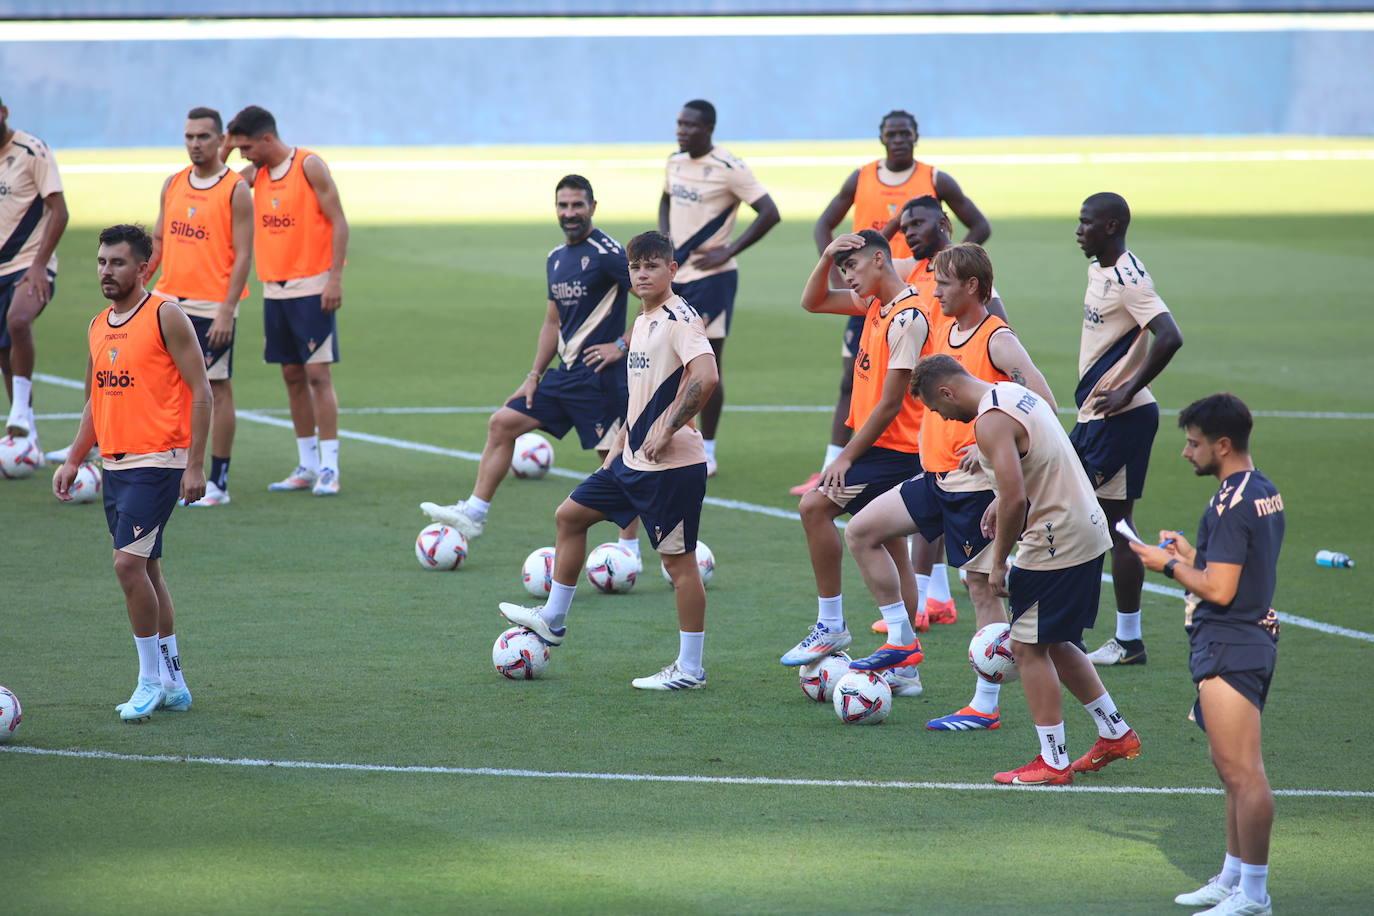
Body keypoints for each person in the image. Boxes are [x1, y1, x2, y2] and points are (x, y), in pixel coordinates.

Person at [497, 231, 719, 690]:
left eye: (652, 266)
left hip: (671, 469)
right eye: (635, 267)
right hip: (629, 461)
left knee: (679, 566)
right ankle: (553, 619)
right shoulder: (644, 319)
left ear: (672, 270)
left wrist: (668, 427)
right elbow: (641, 397)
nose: (642, 275)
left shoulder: (680, 318)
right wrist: (617, 450)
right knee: (570, 515)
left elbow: (707, 376)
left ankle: (690, 670)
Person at [912, 354, 1139, 786]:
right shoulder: (1013, 394)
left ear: (946, 391)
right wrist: (1001, 499)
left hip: (1056, 538)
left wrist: (998, 562)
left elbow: (1016, 498)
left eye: (937, 409)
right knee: (1055, 640)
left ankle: (1053, 761)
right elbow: (1037, 462)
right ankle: (1115, 732)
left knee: (1027, 647)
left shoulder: (989, 421)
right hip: (1086, 526)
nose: (943, 418)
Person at [420, 175, 639, 551]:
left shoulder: (608, 253)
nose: (570, 213)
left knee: (615, 463)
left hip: (600, 380)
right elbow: (552, 322)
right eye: (563, 205)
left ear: (593, 207)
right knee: (502, 423)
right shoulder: (556, 258)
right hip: (565, 376)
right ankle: (474, 513)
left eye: (577, 205)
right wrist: (534, 375)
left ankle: (628, 550)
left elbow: (659, 299)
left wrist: (621, 344)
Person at [53, 224, 211, 722]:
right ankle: (175, 682)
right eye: (102, 261)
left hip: (158, 462)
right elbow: (95, 402)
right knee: (148, 570)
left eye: (117, 262)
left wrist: (195, 464)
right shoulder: (98, 325)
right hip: (115, 466)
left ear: (143, 268)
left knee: (126, 566)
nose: (106, 270)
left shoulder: (166, 315)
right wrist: (74, 458)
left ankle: (149, 681)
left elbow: (202, 391)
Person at [1132, 394, 1282, 916]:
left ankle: (1254, 896)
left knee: (1244, 773)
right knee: (1229, 768)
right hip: (1241, 637)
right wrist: (1191, 556)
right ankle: (1233, 877)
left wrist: (1166, 566)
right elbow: (1234, 571)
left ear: (1222, 445)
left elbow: (1219, 590)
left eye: (1193, 443)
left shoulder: (1231, 503)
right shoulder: (1261, 490)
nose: (1185, 452)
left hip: (1231, 643)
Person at [793, 110, 990, 498]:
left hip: (912, 433)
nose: (908, 231)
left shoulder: (934, 183)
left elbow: (994, 336)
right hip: (880, 295)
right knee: (855, 380)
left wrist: (961, 262)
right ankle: (834, 462)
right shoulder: (865, 182)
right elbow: (814, 297)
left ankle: (846, 463)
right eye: (905, 225)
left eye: (904, 133)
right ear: (881, 137)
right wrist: (847, 261)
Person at [903, 243, 1057, 732]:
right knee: (863, 530)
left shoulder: (998, 339)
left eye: (944, 283)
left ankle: (985, 703)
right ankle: (899, 651)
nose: (936, 291)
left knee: (981, 584)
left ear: (972, 286)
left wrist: (988, 442)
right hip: (936, 477)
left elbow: (1042, 402)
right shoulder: (945, 330)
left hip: (974, 481)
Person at [779, 230, 926, 698]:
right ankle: (905, 667)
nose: (848, 278)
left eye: (853, 267)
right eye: (844, 270)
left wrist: (845, 454)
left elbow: (890, 403)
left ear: (880, 260)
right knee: (894, 548)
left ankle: (831, 624)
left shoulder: (908, 317)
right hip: (882, 447)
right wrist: (827, 256)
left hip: (895, 451)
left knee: (814, 508)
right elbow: (813, 301)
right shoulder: (874, 304)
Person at [1072, 192, 1185, 667]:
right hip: (1098, 416)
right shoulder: (1099, 269)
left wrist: (1128, 389)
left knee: (1096, 520)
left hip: (1121, 419)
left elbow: (1170, 335)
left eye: (1086, 223)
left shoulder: (1129, 279)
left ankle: (1110, 638)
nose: (1078, 230)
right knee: (1103, 521)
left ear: (1111, 226)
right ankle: (1122, 639)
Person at [225, 105, 349, 496]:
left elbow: (339, 221)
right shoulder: (256, 174)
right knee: (291, 375)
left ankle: (329, 467)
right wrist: (226, 147)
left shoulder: (308, 165)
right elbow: (219, 185)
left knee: (318, 375)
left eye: (246, 147)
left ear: (266, 139)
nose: (243, 155)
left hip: (312, 286)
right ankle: (306, 464)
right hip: (274, 288)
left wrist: (335, 278)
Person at [659, 99, 780, 477]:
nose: (682, 131)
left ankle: (706, 449)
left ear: (708, 128)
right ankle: (672, 435)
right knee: (669, 361)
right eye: (679, 124)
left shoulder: (729, 168)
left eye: (690, 125)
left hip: (712, 279)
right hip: (676, 275)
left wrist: (729, 249)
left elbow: (770, 212)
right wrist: (664, 240)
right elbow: (666, 198)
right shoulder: (674, 162)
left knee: (706, 364)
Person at [144, 106, 254, 507]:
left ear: (220, 139)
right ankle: (168, 470)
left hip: (212, 306)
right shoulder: (173, 183)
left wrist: (227, 309)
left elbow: (243, 255)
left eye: (203, 136)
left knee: (215, 388)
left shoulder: (235, 189)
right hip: (167, 301)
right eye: (189, 136)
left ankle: (218, 481)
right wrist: (141, 283)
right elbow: (159, 239)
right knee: (165, 388)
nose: (195, 144)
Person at [1, 96, 69, 447]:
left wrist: (40, 264)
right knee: (3, 350)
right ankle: (28, 436)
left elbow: (60, 211)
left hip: (29, 262)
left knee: (18, 322)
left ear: (3, 113)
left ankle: (19, 413)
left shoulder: (32, 150)